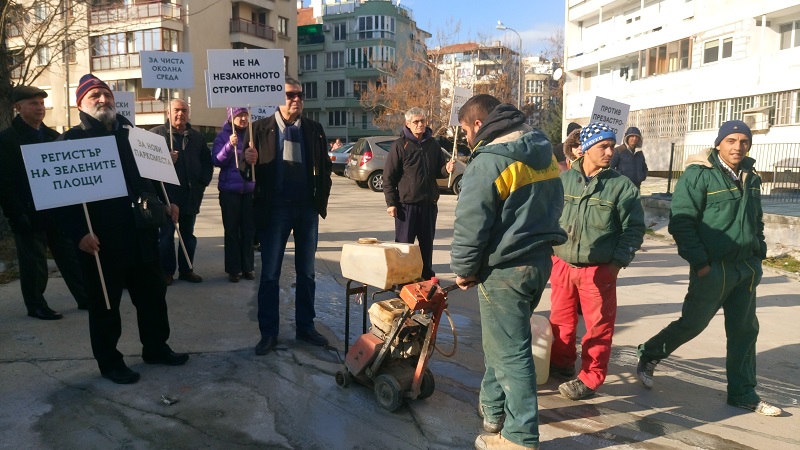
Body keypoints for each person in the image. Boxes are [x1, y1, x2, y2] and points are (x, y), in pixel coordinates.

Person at [636, 120, 782, 417]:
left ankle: (743, 393)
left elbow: (756, 220)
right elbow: (682, 222)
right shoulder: (698, 175)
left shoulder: (751, 176)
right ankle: (650, 353)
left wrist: (759, 253)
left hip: (746, 269)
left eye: (744, 141)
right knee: (693, 323)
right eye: (731, 140)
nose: (738, 147)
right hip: (713, 268)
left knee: (744, 331)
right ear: (719, 144)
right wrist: (701, 264)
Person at [451, 94, 566, 450]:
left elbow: (471, 223)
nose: (467, 140)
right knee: (502, 345)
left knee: (512, 354)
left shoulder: (489, 162)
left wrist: (464, 269)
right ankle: (493, 408)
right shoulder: (542, 151)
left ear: (474, 125)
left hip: (504, 271)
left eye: (464, 132)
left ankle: (519, 436)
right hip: (538, 262)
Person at [56, 74, 188, 384]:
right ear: (80, 104)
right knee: (105, 304)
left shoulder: (136, 137)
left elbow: (155, 180)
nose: (103, 99)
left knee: (154, 296)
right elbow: (60, 201)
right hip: (101, 240)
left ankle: (156, 348)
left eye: (106, 94)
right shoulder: (69, 142)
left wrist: (168, 203)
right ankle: (110, 362)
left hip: (142, 233)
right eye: (94, 96)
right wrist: (79, 234)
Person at [548, 122, 645, 401]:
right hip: (563, 264)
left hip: (598, 269)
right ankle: (562, 362)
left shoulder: (621, 187)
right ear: (586, 149)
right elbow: (550, 216)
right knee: (561, 321)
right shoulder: (564, 180)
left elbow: (634, 230)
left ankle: (590, 378)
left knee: (598, 327)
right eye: (603, 146)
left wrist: (616, 264)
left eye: (611, 146)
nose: (609, 151)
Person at [243, 78, 332, 355]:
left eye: (300, 95)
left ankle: (305, 327)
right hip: (275, 209)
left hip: (306, 209)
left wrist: (320, 201)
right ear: (278, 99)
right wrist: (248, 161)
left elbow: (326, 168)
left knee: (307, 273)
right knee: (270, 274)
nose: (297, 99)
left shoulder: (314, 129)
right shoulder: (258, 130)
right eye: (290, 95)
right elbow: (247, 175)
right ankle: (269, 333)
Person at [0, 85, 89, 320]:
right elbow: (5, 183)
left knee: (70, 256)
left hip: (56, 210)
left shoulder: (53, 137)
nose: (39, 108)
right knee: (34, 263)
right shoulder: (7, 140)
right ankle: (36, 305)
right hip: (28, 212)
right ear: (18, 108)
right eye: (33, 104)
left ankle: (85, 297)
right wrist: (17, 215)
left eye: (41, 103)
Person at [383, 107, 455, 280]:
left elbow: (438, 171)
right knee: (404, 247)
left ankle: (426, 278)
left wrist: (446, 169)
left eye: (423, 121)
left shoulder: (433, 145)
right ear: (407, 124)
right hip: (406, 206)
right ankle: (402, 279)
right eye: (416, 122)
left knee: (426, 246)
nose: (420, 124)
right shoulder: (400, 145)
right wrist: (391, 202)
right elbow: (389, 177)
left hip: (429, 205)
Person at [150, 99, 212, 285]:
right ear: (168, 113)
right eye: (176, 110)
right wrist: (164, 160)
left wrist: (202, 184)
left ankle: (186, 270)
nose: (180, 114)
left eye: (184, 110)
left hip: (190, 196)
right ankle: (167, 272)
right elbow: (147, 169)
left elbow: (207, 164)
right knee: (166, 236)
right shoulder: (156, 136)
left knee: (188, 236)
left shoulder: (197, 137)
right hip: (167, 197)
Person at [212, 107, 256, 283]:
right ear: (231, 117)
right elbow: (216, 160)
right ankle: (233, 269)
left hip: (250, 190)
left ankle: (248, 267)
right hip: (230, 191)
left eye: (246, 115)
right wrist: (229, 146)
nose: (244, 118)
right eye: (239, 115)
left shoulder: (253, 135)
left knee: (249, 231)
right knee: (231, 231)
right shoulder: (223, 136)